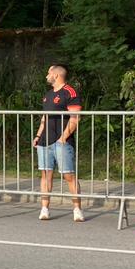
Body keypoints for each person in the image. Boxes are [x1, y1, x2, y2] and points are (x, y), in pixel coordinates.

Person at [31, 64, 84, 222]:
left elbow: (75, 118)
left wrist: (63, 137)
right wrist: (38, 135)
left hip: (61, 141)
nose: (46, 75)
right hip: (45, 140)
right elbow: (44, 117)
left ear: (56, 75)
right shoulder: (47, 94)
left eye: (49, 72)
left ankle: (77, 209)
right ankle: (45, 208)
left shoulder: (70, 92)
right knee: (46, 174)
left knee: (68, 175)